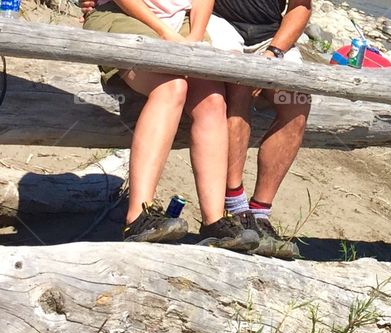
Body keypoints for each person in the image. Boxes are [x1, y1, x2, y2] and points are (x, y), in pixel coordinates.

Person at [83, 0, 259, 251]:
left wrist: (196, 36)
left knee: (212, 102)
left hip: (182, 22)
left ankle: (215, 220)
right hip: (124, 15)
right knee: (171, 87)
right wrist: (166, 34)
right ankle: (137, 216)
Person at [206, 0, 313, 259]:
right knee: (239, 85)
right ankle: (234, 203)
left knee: (297, 103)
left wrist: (274, 53)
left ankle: (260, 211)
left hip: (270, 36)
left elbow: (301, 6)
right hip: (221, 22)